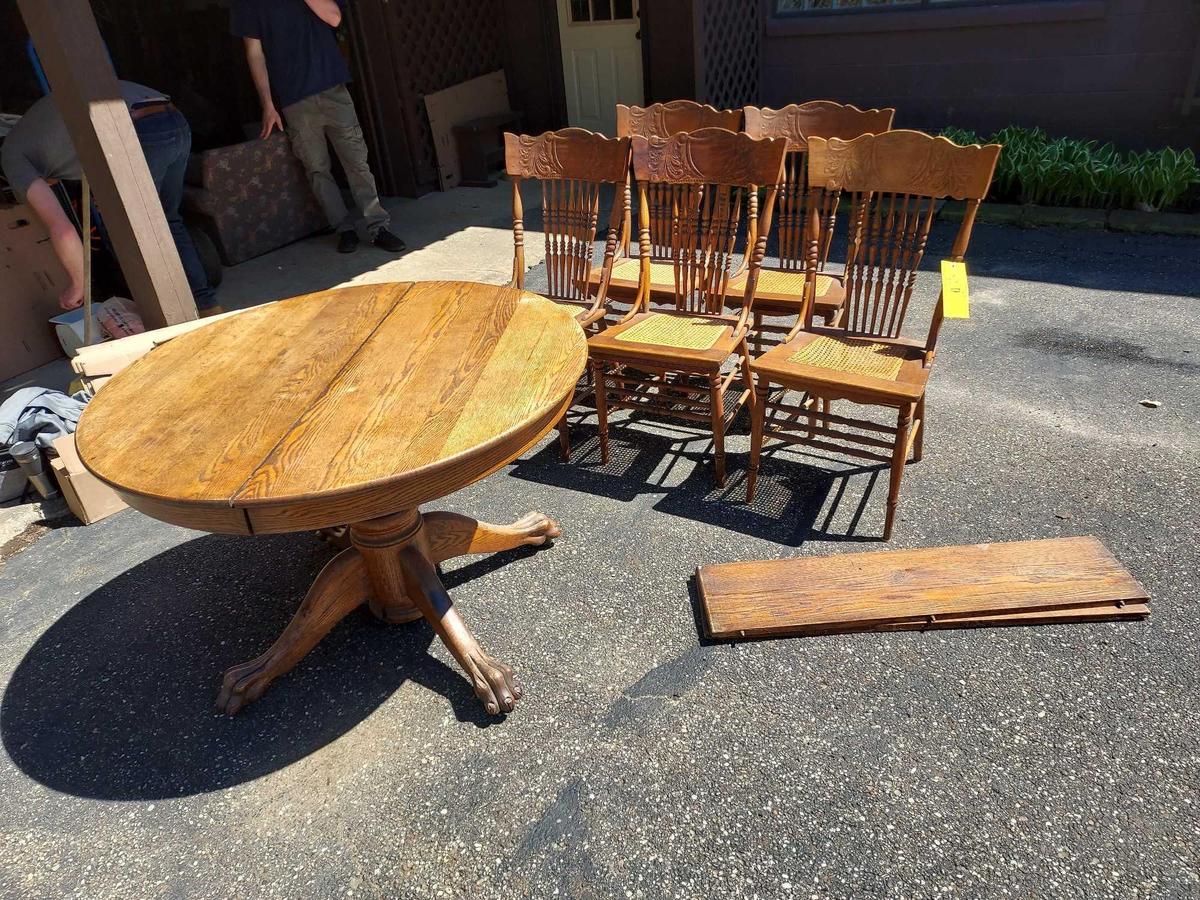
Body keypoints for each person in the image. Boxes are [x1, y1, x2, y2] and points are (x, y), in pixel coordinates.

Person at [2, 81, 221, 315]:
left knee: (125, 231)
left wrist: (78, 285)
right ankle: (207, 305)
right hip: (172, 118)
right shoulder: (35, 130)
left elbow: (62, 227)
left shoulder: (12, 159)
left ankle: (166, 313)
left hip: (133, 130)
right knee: (167, 219)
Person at [231, 0, 406, 255]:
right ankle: (343, 229)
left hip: (332, 86)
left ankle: (378, 226)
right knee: (317, 168)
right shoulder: (248, 4)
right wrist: (267, 104)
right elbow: (254, 54)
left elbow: (334, 17)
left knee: (356, 161)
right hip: (294, 98)